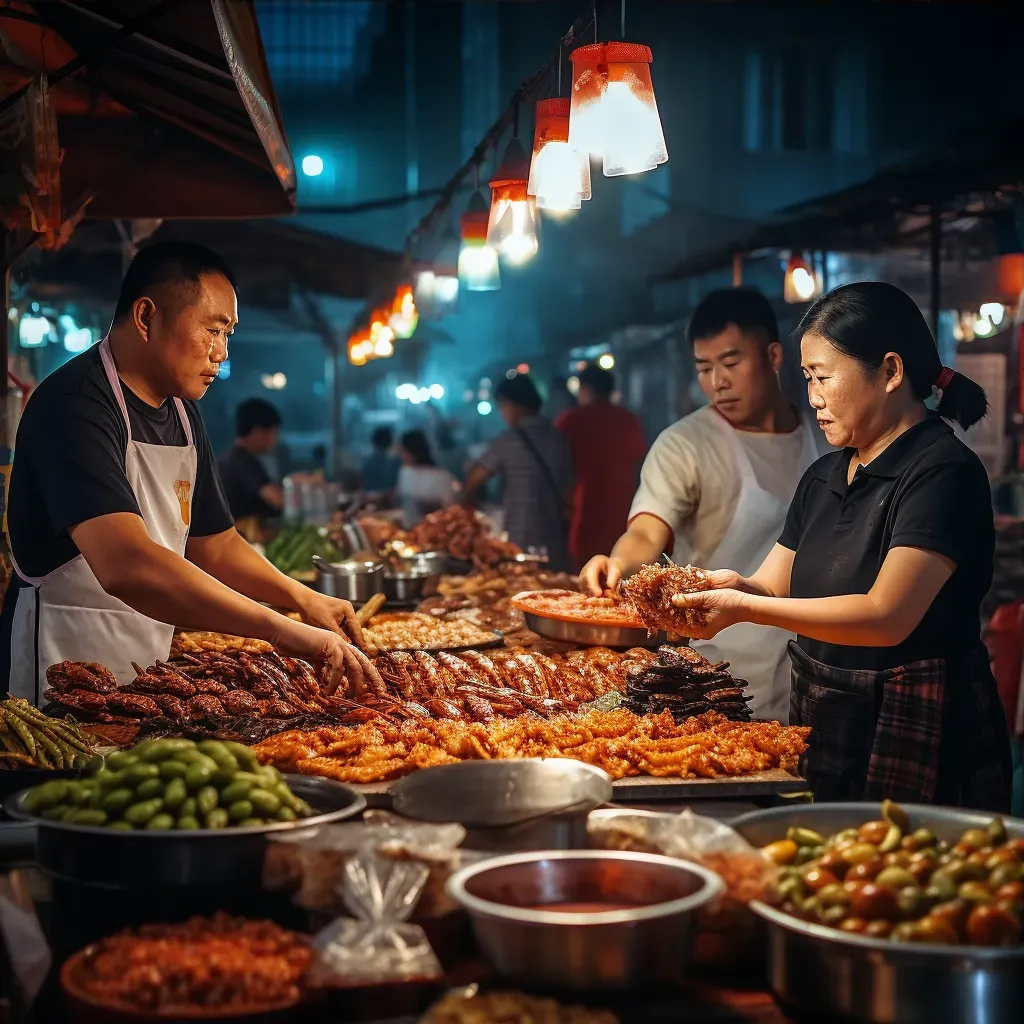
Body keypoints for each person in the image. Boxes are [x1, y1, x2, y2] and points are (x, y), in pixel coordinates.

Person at [673, 282, 1011, 809]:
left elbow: (886, 615)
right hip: (825, 715)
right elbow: (770, 584)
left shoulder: (942, 473)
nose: (812, 397)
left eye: (823, 377)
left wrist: (746, 609)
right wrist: (731, 588)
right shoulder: (823, 475)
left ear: (891, 372)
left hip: (916, 721)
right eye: (807, 378)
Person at [1, 241, 378, 703]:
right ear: (146, 317)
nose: (221, 352)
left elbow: (215, 545)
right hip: (55, 669)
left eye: (229, 335)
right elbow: (126, 564)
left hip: (145, 672)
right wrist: (276, 629)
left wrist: (300, 597)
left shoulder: (181, 412)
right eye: (213, 330)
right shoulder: (75, 404)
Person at [582, 287, 825, 722]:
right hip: (719, 675)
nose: (718, 382)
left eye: (731, 363)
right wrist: (618, 563)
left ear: (773, 357)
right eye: (704, 368)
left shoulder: (826, 434)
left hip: (817, 665)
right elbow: (646, 532)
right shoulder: (685, 445)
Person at [463, 374, 573, 571]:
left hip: (520, 542)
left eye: (502, 406)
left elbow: (474, 479)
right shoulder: (559, 438)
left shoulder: (510, 440)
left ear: (511, 404)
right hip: (556, 541)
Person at [555, 364, 647, 569]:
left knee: (585, 577)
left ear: (585, 389)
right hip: (625, 512)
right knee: (622, 577)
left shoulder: (571, 420)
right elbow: (640, 464)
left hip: (587, 513)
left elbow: (557, 468)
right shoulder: (629, 421)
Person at [218, 398, 283, 522]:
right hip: (240, 536)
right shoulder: (243, 461)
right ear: (257, 431)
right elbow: (276, 499)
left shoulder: (229, 457)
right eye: (273, 432)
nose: (274, 440)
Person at [396, 429, 460, 526]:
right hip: (440, 530)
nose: (401, 456)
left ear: (409, 452)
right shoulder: (443, 475)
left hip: (425, 531)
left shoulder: (406, 473)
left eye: (402, 452)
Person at [361, 426, 401, 494]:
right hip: (388, 499)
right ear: (390, 442)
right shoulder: (395, 462)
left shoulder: (366, 462)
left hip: (369, 498)